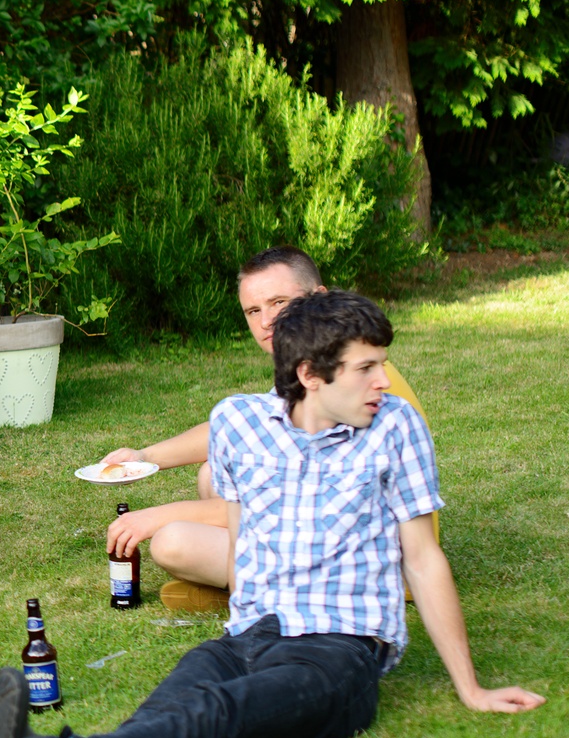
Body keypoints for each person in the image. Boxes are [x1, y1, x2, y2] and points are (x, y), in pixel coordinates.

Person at [0, 291, 544, 738]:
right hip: (247, 637)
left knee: (212, 713)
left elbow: (422, 558)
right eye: (366, 368)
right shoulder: (239, 424)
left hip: (338, 653)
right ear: (310, 375)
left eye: (381, 365)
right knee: (162, 722)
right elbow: (240, 538)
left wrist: (471, 688)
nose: (383, 382)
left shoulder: (394, 426)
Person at [97, 246, 432, 609]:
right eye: (254, 311)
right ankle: (246, 581)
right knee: (212, 474)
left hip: (365, 553)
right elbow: (240, 432)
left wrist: (157, 516)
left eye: (279, 303)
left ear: (318, 298)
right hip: (323, 527)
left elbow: (297, 497)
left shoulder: (347, 382)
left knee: (171, 541)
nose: (267, 321)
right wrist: (145, 457)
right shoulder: (316, 365)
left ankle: (265, 592)